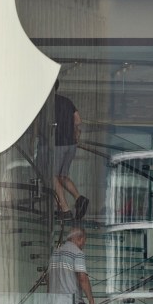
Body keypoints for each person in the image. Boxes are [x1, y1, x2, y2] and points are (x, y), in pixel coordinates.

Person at [47, 85, 87, 222]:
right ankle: (78, 198)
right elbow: (78, 120)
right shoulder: (66, 101)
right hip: (71, 143)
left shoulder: (47, 103)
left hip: (58, 143)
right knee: (62, 176)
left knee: (52, 176)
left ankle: (65, 209)